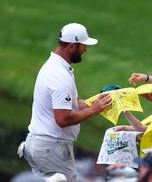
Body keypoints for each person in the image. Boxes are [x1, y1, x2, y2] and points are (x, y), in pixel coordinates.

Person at [18, 23, 112, 181]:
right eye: (83, 46)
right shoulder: (59, 76)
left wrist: (94, 102)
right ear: (72, 46)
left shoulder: (57, 67)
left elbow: (72, 105)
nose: (85, 50)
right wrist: (93, 110)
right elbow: (63, 119)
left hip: (44, 146)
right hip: (52, 149)